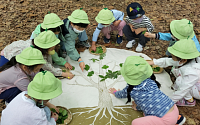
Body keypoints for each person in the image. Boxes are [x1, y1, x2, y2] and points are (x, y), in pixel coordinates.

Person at [109, 56, 181, 125]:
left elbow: (121, 94)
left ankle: (172, 122)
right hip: (174, 108)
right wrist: (138, 107)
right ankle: (177, 118)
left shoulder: (130, 90)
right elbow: (147, 101)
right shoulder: (151, 81)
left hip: (165, 120)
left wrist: (115, 92)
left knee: (135, 123)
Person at [147, 39, 200, 106]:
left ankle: (189, 101)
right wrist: (153, 62)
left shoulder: (191, 73)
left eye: (172, 56)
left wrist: (167, 103)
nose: (171, 58)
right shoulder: (188, 60)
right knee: (180, 79)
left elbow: (182, 91)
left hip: (197, 90)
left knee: (179, 81)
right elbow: (168, 61)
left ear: (183, 60)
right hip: (194, 83)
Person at [0, 30, 74, 79]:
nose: (53, 48)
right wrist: (62, 73)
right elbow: (46, 65)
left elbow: (47, 61)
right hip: (7, 57)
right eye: (52, 47)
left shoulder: (39, 46)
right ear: (46, 47)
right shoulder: (34, 52)